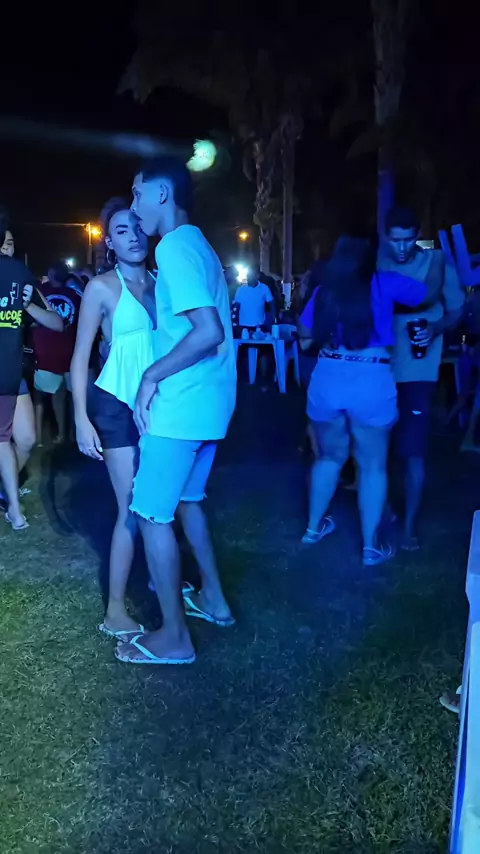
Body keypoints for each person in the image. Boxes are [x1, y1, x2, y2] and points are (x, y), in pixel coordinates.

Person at [115, 155, 237, 666]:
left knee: (149, 514)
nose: (134, 204)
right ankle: (214, 599)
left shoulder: (174, 247)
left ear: (161, 194)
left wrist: (150, 376)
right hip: (209, 406)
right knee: (188, 501)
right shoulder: (199, 243)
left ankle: (174, 638)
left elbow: (208, 332)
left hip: (182, 407)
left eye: (137, 192)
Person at [298, 231, 445, 566]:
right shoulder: (385, 283)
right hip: (371, 377)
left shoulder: (325, 292)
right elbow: (429, 294)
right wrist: (437, 262)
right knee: (372, 466)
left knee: (328, 458)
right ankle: (370, 548)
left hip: (329, 374)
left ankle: (312, 529)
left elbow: (305, 334)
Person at [70, 197, 156, 639]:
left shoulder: (164, 283)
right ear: (109, 241)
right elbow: (80, 357)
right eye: (122, 230)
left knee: (162, 501)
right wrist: (81, 419)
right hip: (117, 404)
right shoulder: (102, 288)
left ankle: (161, 577)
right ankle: (115, 609)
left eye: (138, 228)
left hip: (160, 404)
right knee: (131, 508)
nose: (133, 237)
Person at [379, 207, 465, 550]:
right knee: (378, 449)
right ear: (386, 237)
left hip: (418, 373)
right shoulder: (378, 264)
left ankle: (410, 528)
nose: (401, 247)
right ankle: (384, 510)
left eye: (408, 239)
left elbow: (457, 310)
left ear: (417, 235)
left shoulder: (437, 264)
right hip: (380, 370)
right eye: (395, 240)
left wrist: (436, 327)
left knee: (414, 452)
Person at [0, 216, 63, 528]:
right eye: (1, 244)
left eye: (9, 244)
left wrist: (27, 306)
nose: (5, 249)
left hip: (16, 373)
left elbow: (57, 323)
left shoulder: (22, 283)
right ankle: (12, 502)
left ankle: (5, 488)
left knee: (26, 439)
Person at [31, 261, 83, 444]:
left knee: (39, 399)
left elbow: (31, 319)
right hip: (69, 354)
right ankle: (66, 434)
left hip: (45, 354)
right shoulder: (75, 296)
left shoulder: (42, 292)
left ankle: (38, 438)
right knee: (66, 398)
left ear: (51, 273)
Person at [234, 266, 275, 331]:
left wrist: (273, 320)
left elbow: (271, 304)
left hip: (259, 325)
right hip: (243, 326)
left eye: (250, 275)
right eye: (248, 275)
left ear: (257, 276)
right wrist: (236, 325)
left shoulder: (264, 288)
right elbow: (236, 307)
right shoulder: (240, 289)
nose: (248, 278)